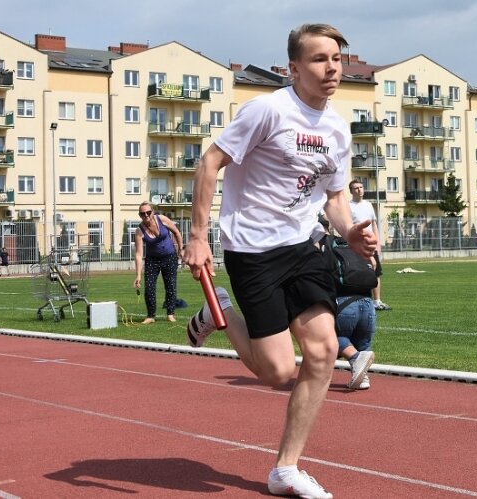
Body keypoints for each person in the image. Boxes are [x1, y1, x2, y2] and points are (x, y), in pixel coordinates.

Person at [184, 23, 376, 499]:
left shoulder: (337, 127)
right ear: (294, 67)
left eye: (337, 58)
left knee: (323, 351)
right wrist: (198, 236)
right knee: (276, 373)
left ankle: (285, 469)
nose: (331, 67)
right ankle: (221, 311)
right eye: (318, 59)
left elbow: (333, 197)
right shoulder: (267, 111)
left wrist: (349, 231)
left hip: (304, 245)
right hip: (252, 250)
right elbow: (209, 163)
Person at [317, 214, 376, 390]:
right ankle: (362, 377)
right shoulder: (353, 243)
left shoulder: (322, 244)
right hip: (368, 303)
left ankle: (355, 360)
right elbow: (374, 265)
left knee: (329, 338)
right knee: (363, 345)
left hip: (343, 302)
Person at [133, 201, 183, 324]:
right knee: (149, 288)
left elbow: (176, 232)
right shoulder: (139, 231)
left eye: (148, 212)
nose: (146, 215)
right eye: (142, 214)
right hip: (152, 260)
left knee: (170, 286)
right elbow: (139, 254)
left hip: (170, 257)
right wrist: (138, 275)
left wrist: (180, 250)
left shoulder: (162, 219)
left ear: (152, 212)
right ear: (140, 215)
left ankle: (170, 314)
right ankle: (150, 316)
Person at [348, 179, 391, 310]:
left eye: (361, 187)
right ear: (351, 191)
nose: (359, 190)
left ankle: (377, 301)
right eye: (356, 188)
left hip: (371, 245)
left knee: (376, 272)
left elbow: (374, 225)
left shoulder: (368, 205)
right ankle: (358, 301)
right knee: (358, 273)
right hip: (357, 246)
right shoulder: (348, 206)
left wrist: (378, 244)